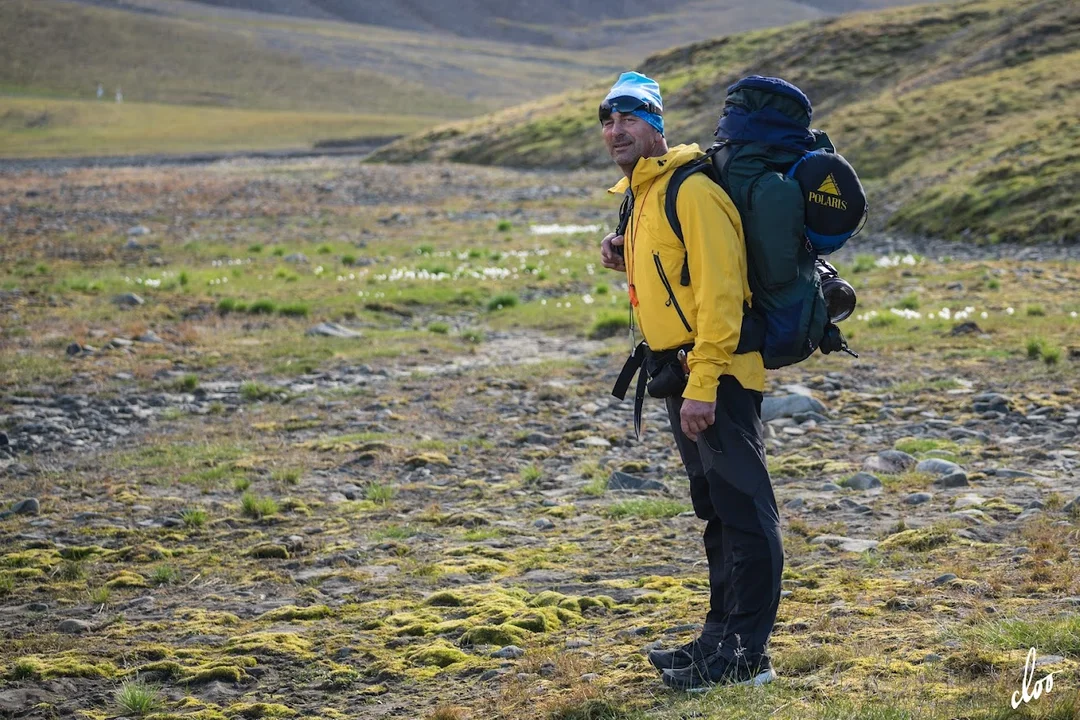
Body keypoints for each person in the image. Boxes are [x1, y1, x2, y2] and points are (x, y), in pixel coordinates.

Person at [598, 71, 783, 691]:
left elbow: (722, 296)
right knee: (717, 514)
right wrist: (626, 250)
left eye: (628, 118)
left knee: (746, 513)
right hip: (682, 374)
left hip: (718, 374)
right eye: (608, 119)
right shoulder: (643, 193)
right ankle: (718, 641)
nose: (615, 130)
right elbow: (674, 271)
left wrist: (703, 385)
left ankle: (748, 658)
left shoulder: (692, 190)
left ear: (655, 124)